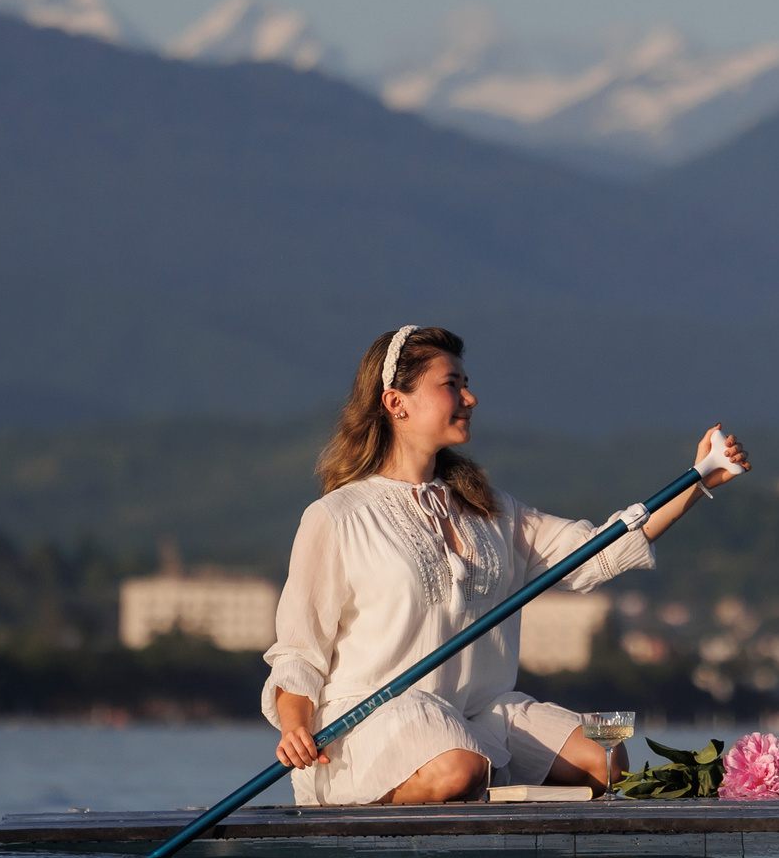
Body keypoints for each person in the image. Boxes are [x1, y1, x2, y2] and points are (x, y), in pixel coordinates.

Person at [264, 325, 749, 805]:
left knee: (606, 757)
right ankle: (415, 795)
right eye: (451, 384)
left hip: (481, 714)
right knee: (460, 766)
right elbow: (299, 652)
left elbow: (596, 552)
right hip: (370, 720)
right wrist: (295, 728)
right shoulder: (335, 516)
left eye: (466, 384)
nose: (470, 398)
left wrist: (697, 480)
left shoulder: (492, 508)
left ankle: (495, 811)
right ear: (397, 403)